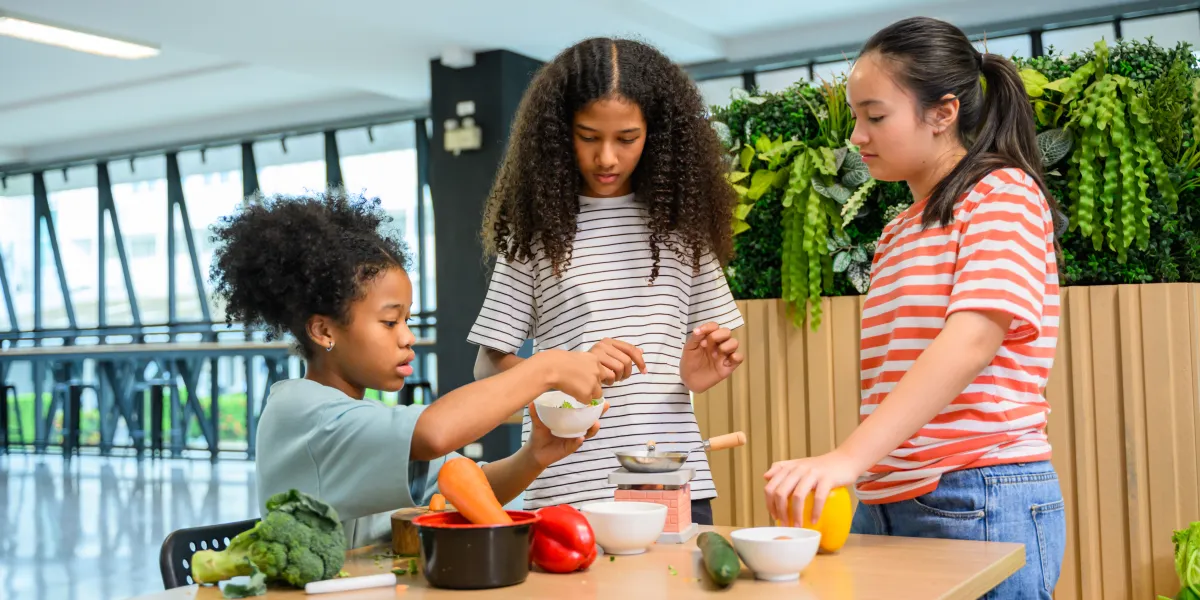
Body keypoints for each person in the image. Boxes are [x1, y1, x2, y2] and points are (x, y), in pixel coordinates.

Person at [762, 17, 1066, 599]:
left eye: (875, 116)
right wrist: (860, 472)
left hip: (979, 495)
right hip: (887, 502)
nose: (857, 135)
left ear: (942, 112)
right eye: (856, 117)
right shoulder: (899, 230)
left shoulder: (1003, 193)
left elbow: (973, 339)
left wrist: (846, 459)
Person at [208, 190, 608, 548]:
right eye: (389, 322)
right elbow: (435, 433)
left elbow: (468, 487)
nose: (408, 337)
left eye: (407, 321)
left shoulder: (360, 416)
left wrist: (533, 456)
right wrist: (546, 367)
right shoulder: (300, 411)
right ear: (324, 330)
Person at [469, 37, 744, 523]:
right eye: (589, 136)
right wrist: (561, 368)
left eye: (627, 138)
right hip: (566, 490)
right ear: (557, 133)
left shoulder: (683, 225)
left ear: (656, 134)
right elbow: (487, 371)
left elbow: (692, 365)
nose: (607, 159)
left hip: (674, 482)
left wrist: (695, 375)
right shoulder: (534, 229)